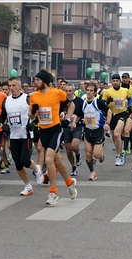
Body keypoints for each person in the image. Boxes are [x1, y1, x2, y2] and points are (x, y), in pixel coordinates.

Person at [28, 69, 77, 205]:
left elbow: (71, 104)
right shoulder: (33, 96)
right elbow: (31, 116)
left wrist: (68, 118)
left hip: (56, 130)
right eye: (35, 80)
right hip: (43, 131)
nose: (35, 82)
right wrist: (33, 112)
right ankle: (69, 182)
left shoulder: (57, 93)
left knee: (48, 159)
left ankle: (53, 192)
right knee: (56, 161)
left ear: (44, 81)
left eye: (37, 80)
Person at [0, 76, 44, 195]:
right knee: (17, 164)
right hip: (13, 135)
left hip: (26, 134)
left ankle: (37, 169)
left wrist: (33, 124)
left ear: (20, 86)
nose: (11, 88)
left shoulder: (27, 98)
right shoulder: (6, 101)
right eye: (10, 86)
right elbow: (3, 116)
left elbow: (37, 113)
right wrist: (0, 123)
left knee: (25, 161)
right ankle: (28, 186)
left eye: (14, 86)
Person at [74, 82, 111, 181]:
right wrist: (74, 122)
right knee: (88, 154)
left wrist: (107, 123)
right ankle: (92, 172)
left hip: (98, 131)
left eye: (91, 91)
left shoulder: (98, 102)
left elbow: (109, 111)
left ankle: (101, 155)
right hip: (87, 131)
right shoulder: (83, 103)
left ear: (95, 92)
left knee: (96, 155)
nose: (89, 92)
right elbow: (78, 115)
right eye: (88, 90)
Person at [102, 74, 132, 166]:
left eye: (117, 81)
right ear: (111, 82)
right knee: (114, 136)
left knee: (116, 133)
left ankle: (118, 156)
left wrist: (130, 106)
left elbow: (130, 98)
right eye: (113, 81)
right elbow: (103, 103)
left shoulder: (125, 90)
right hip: (112, 115)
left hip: (122, 114)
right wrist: (107, 102)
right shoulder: (107, 92)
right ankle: (121, 151)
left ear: (120, 82)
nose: (115, 82)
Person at [62, 83, 84, 176]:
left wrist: (75, 121)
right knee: (68, 149)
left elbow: (80, 114)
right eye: (66, 91)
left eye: (70, 91)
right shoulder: (62, 101)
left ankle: (78, 154)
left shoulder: (79, 101)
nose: (68, 93)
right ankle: (73, 167)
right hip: (66, 127)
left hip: (77, 126)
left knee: (74, 146)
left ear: (73, 91)